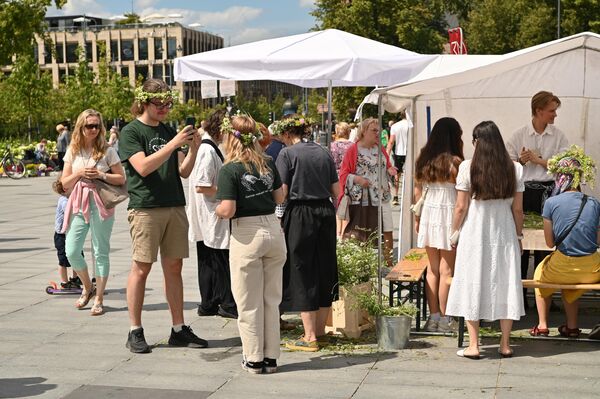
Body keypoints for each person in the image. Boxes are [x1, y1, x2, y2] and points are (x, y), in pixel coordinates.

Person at [119, 78, 206, 354]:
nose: (165, 109)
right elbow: (142, 167)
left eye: (169, 104)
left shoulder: (169, 129)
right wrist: (173, 144)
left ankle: (178, 328)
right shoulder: (130, 132)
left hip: (174, 205)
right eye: (160, 104)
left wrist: (193, 148)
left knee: (174, 268)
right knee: (141, 268)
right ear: (144, 101)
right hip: (145, 207)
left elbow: (183, 171)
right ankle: (135, 329)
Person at [446, 121, 525, 359]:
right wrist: (519, 236)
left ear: (477, 142)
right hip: (505, 233)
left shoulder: (467, 168)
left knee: (472, 281)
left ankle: (474, 345)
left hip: (475, 233)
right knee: (506, 281)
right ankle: (505, 343)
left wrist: (453, 232)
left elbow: (461, 207)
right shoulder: (515, 168)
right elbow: (518, 210)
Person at [215, 114, 287, 374]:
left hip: (247, 233)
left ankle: (254, 358)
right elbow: (280, 196)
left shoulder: (230, 169)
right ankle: (271, 357)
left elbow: (228, 208)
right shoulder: (267, 162)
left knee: (248, 302)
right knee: (271, 300)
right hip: (273, 230)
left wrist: (217, 210)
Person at [276, 115, 340, 352]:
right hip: (325, 211)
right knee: (324, 268)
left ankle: (309, 335)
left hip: (300, 212)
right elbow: (337, 190)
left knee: (301, 268)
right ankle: (321, 332)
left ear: (286, 134)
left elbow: (281, 193)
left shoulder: (287, 154)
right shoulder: (323, 152)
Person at [529, 147, 600, 338]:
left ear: (560, 177)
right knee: (571, 282)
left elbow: (550, 243)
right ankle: (572, 326)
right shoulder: (594, 203)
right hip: (591, 270)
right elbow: (597, 240)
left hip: (562, 266)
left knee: (539, 273)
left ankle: (542, 325)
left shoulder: (551, 203)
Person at [60, 109, 125, 316]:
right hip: (79, 202)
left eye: (97, 125)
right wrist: (79, 173)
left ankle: (99, 298)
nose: (94, 129)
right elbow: (63, 182)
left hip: (101, 204)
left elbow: (121, 179)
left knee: (100, 251)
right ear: (81, 127)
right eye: (90, 126)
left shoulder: (107, 150)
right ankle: (88, 286)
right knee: (71, 250)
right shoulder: (73, 150)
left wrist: (100, 175)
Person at [506, 91, 569, 304]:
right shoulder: (518, 135)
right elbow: (507, 167)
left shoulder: (559, 135)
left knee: (546, 245)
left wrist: (539, 160)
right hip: (523, 192)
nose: (554, 115)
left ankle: (545, 298)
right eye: (552, 111)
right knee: (521, 243)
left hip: (549, 193)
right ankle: (520, 297)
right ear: (538, 111)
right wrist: (521, 162)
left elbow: (565, 166)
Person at [413, 117, 464, 332]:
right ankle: (445, 318)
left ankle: (432, 318)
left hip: (429, 214)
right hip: (449, 214)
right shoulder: (456, 163)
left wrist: (417, 219)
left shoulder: (423, 159)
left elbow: (417, 193)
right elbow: (463, 198)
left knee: (432, 270)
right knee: (447, 269)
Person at [188, 109, 237, 319]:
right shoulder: (208, 150)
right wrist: (229, 191)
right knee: (218, 258)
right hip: (211, 211)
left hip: (208, 212)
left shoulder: (208, 147)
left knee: (210, 258)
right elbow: (202, 185)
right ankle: (224, 302)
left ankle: (210, 302)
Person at [338, 117, 397, 267]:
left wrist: (390, 170)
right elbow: (343, 174)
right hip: (363, 198)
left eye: (378, 130)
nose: (377, 133)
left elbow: (387, 166)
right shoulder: (353, 150)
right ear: (363, 132)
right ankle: (361, 264)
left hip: (382, 196)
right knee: (362, 233)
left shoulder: (380, 148)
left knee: (388, 229)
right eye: (374, 130)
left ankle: (388, 263)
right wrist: (357, 179)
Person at [52, 177, 80, 289]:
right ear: (65, 188)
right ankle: (64, 282)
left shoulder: (71, 198)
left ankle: (75, 279)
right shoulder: (64, 200)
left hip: (72, 233)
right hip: (61, 235)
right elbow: (71, 210)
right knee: (63, 259)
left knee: (77, 256)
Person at [330, 122, 353, 238]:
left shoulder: (331, 146)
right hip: (350, 178)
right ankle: (345, 232)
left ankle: (338, 233)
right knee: (347, 206)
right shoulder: (353, 146)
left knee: (337, 206)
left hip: (335, 179)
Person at [387, 112, 410, 205]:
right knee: (411, 174)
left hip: (399, 152)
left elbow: (391, 141)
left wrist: (387, 154)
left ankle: (396, 196)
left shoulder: (395, 126)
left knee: (397, 175)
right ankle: (410, 196)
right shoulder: (412, 125)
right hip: (410, 152)